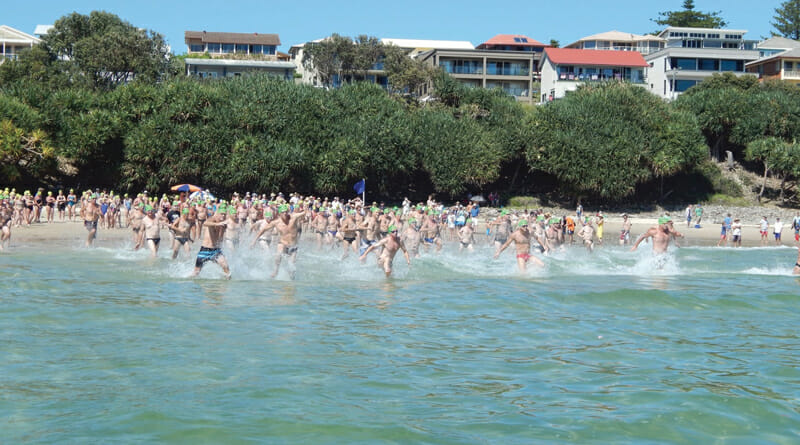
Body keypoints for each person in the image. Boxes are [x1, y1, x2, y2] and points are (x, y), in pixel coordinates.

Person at [252, 204, 306, 279]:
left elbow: (304, 213)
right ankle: (276, 270)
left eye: (286, 212)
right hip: (282, 243)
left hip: (293, 246)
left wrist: (305, 208)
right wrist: (254, 241)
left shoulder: (293, 217)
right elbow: (263, 229)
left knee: (292, 265)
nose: (285, 214)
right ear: (280, 213)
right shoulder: (276, 222)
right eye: (283, 212)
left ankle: (291, 279)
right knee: (278, 255)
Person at [191, 206, 231, 279]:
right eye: (221, 214)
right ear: (217, 214)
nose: (223, 216)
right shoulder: (212, 219)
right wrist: (217, 224)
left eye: (224, 214)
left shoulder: (223, 224)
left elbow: (220, 239)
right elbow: (205, 223)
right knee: (196, 273)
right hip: (205, 250)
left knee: (226, 269)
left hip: (215, 251)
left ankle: (225, 287)